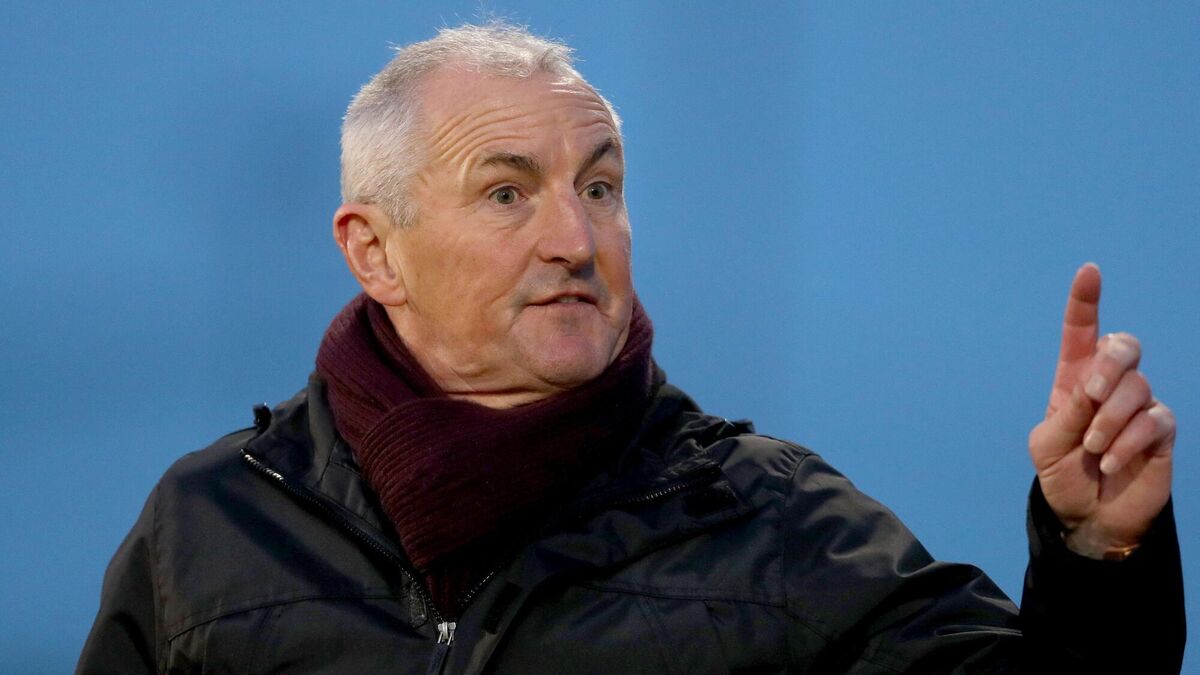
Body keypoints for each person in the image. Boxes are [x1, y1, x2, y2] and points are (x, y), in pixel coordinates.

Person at [77, 22, 1184, 674]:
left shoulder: (774, 522)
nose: (576, 238)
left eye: (601, 187)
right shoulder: (211, 528)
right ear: (375, 251)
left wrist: (1098, 557)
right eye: (508, 192)